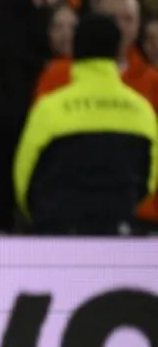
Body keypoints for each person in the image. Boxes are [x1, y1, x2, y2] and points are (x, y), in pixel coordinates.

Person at [14, 14, 158, 235]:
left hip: (57, 233)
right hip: (118, 232)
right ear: (118, 51)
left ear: (76, 50)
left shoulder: (50, 109)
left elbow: (23, 178)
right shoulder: (142, 112)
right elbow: (148, 182)